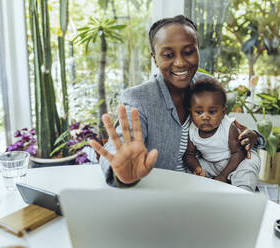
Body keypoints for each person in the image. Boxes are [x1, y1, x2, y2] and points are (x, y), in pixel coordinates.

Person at [90, 15, 264, 188]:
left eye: (189, 52)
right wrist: (121, 172)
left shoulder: (206, 85)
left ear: (197, 50)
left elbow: (226, 132)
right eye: (168, 55)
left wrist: (252, 136)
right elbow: (120, 145)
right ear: (154, 58)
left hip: (207, 187)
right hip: (161, 195)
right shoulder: (140, 98)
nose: (180, 62)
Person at [183, 78, 260, 191]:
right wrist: (196, 167)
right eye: (199, 112)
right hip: (212, 163)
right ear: (190, 112)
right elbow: (189, 155)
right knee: (187, 172)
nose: (205, 117)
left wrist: (223, 175)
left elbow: (238, 152)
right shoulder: (192, 129)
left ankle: (244, 196)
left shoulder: (228, 127)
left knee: (247, 170)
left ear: (224, 112)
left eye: (212, 112)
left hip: (238, 159)